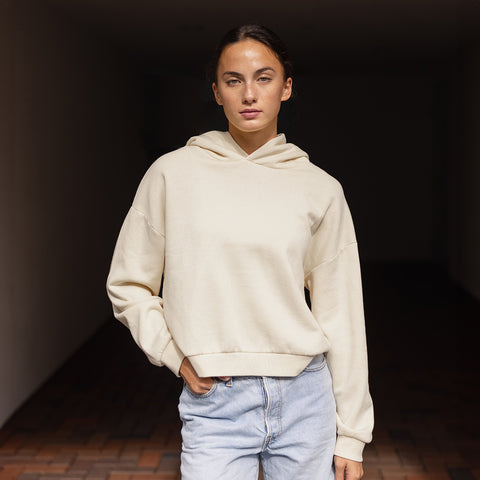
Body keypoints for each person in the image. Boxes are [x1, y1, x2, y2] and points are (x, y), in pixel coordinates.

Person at [106, 24, 374, 480]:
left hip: (306, 400)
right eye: (234, 80)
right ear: (217, 92)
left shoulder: (320, 189)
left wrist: (351, 433)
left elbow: (342, 314)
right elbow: (129, 285)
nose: (249, 93)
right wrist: (175, 355)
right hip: (216, 402)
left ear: (286, 88)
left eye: (264, 78)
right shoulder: (172, 175)